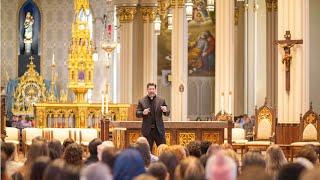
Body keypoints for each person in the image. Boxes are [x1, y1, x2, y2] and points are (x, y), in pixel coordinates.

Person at [136, 83, 170, 149]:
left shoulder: (161, 100)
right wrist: (143, 112)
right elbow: (137, 113)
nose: (151, 90)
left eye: (153, 89)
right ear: (147, 90)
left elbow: (167, 113)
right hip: (147, 131)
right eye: (150, 89)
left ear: (155, 90)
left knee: (163, 149)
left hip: (159, 130)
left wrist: (165, 110)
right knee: (147, 150)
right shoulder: (142, 101)